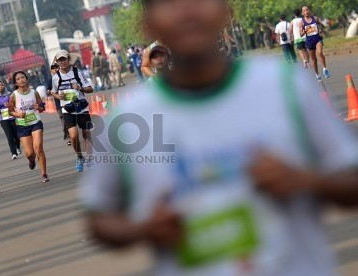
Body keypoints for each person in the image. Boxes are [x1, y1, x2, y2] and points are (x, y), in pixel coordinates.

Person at [82, 1, 358, 275]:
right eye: (168, 4)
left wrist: (306, 180)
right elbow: (99, 218)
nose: (187, 11)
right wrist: (143, 228)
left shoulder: (286, 84)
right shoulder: (125, 120)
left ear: (225, 12)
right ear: (148, 25)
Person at [51, 50, 94, 172]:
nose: (63, 62)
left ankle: (90, 158)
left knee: (86, 134)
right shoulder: (56, 77)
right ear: (57, 62)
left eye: (64, 59)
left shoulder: (77, 72)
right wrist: (58, 97)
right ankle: (80, 157)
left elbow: (90, 89)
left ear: (68, 59)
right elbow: (52, 92)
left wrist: (80, 88)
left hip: (82, 108)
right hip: (67, 110)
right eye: (60, 60)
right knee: (73, 136)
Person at [8, 71, 50, 183]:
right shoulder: (14, 95)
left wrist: (39, 106)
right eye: (18, 79)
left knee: (38, 147)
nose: (21, 80)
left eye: (23, 77)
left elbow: (42, 108)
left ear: (26, 79)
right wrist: (18, 114)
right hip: (22, 125)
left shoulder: (34, 92)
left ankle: (44, 173)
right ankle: (32, 161)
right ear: (16, 82)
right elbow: (10, 111)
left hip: (35, 122)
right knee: (30, 153)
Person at [300, 5, 330, 80]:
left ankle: (325, 69)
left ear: (309, 11)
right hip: (310, 42)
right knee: (314, 60)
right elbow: (301, 34)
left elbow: (320, 26)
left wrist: (320, 30)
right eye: (304, 11)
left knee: (320, 52)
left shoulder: (315, 18)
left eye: (307, 10)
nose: (306, 12)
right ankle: (317, 74)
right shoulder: (302, 22)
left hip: (317, 39)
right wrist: (305, 31)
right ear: (302, 13)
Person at [0, 80, 21, 160]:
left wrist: (9, 105)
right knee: (9, 135)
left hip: (12, 116)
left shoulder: (9, 94)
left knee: (15, 135)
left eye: (1, 85)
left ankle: (18, 147)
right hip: (3, 118)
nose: (0, 87)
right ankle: (13, 153)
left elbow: (15, 104)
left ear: (4, 86)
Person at [49, 64, 70, 146]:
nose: (56, 69)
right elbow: (49, 90)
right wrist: (55, 94)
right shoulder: (51, 80)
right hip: (59, 105)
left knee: (70, 120)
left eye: (57, 68)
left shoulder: (65, 77)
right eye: (54, 69)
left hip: (68, 102)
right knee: (64, 121)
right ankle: (68, 137)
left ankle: (72, 135)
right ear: (51, 71)